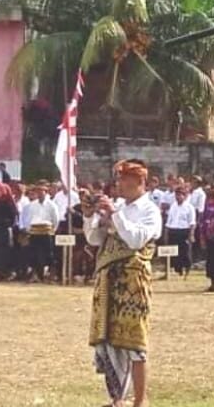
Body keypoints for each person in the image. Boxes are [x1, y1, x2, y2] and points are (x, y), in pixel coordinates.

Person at [84, 159, 162, 407]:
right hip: (108, 280)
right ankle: (117, 398)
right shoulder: (118, 206)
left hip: (132, 281)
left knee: (134, 342)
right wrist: (91, 217)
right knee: (109, 341)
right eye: (118, 180)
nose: (119, 186)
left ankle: (140, 400)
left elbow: (136, 240)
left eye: (124, 180)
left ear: (140, 182)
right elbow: (95, 239)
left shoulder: (150, 210)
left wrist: (115, 216)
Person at [164, 188, 195, 278]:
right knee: (174, 253)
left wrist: (191, 234)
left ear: (184, 196)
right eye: (176, 195)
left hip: (184, 231)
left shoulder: (189, 207)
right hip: (173, 230)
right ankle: (178, 270)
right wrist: (166, 233)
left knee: (185, 252)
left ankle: (187, 270)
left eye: (180, 195)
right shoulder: (173, 206)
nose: (178, 197)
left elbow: (192, 223)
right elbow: (169, 221)